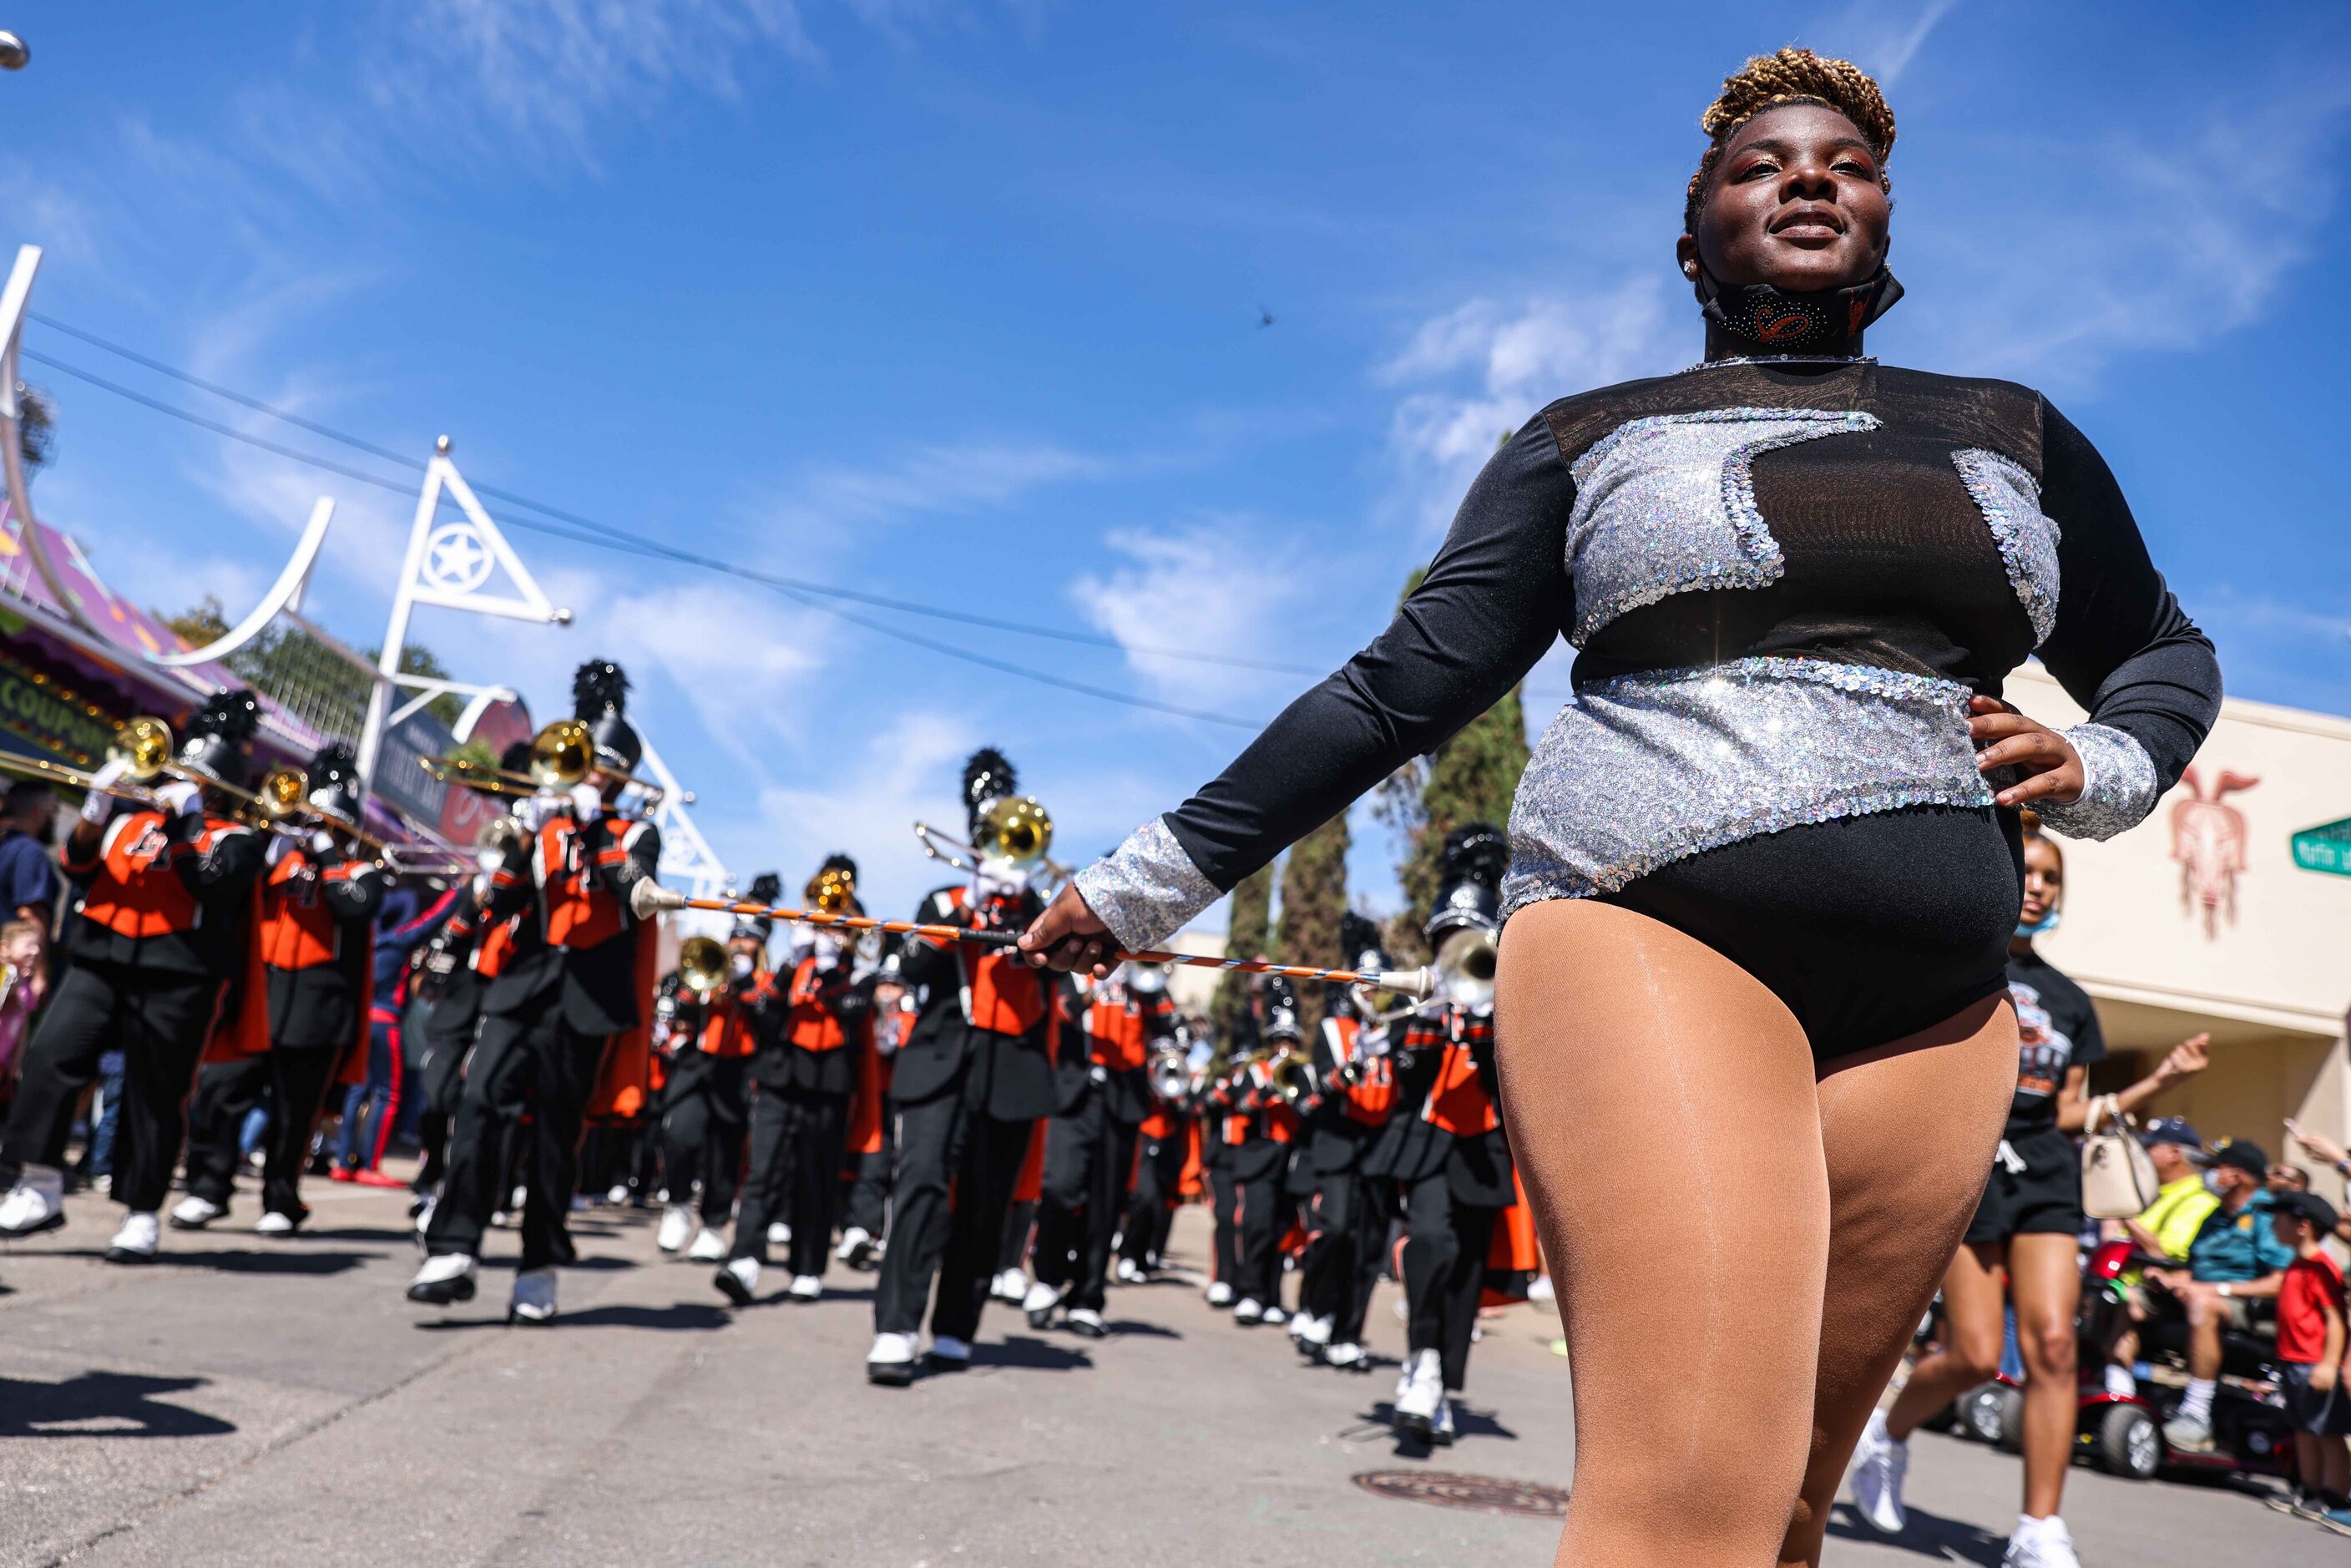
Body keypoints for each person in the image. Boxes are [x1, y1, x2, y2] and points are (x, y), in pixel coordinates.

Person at [1017, 46, 2221, 1567]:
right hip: (1654, 931)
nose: (1807, 177)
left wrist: (2108, 764)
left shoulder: (2008, 429)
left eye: (1846, 164)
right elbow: (1404, 686)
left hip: (1936, 1019)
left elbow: (2166, 651)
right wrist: (1142, 883)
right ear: (1690, 229)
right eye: (1761, 162)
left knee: (1785, 1511)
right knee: (1686, 1513)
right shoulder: (1589, 435)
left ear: (1888, 218)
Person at [1851, 826, 2209, 1560]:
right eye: (2031, 871)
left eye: (2054, 878)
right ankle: (1885, 1437)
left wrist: (2158, 1082)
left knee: (2053, 1344)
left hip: (2046, 1170)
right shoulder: (1956, 969)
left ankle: (2039, 1530)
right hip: (1968, 1158)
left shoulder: (2071, 1002)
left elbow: (2072, 1109)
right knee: (1977, 1355)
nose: (2040, 885)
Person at [408, 660, 661, 1323]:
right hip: (523, 987)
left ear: (620, 775)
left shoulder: (635, 831)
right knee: (481, 1103)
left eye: (599, 767)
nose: (587, 775)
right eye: (583, 763)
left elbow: (629, 893)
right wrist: (528, 839)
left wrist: (590, 826)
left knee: (555, 1138)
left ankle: (539, 1262)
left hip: (585, 998)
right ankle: (455, 1248)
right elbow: (504, 901)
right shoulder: (545, 827)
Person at [0, 690, 268, 1262]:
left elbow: (215, 886)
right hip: (101, 956)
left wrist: (192, 821)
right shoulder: (130, 814)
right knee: (50, 1059)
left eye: (194, 775)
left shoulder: (238, 839)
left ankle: (142, 1210)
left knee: (155, 1092)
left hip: (178, 972)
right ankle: (40, 1183)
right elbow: (77, 865)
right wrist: (96, 811)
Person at [866, 749, 1072, 1386]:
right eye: (996, 835)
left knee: (986, 1205)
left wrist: (1028, 919)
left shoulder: (1043, 906)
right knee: (923, 1186)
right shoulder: (944, 895)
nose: (1006, 849)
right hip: (942, 1061)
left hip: (1009, 1068)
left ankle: (956, 1326)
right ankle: (897, 1328)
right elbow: (909, 968)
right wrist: (965, 913)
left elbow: (1060, 987)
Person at [175, 743, 386, 1234]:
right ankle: (208, 1189)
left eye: (328, 824)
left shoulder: (361, 873)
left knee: (295, 1112)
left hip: (318, 1004)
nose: (316, 830)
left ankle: (281, 1199)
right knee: (222, 1091)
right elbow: (239, 889)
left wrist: (327, 854)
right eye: (314, 822)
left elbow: (352, 908)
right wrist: (275, 840)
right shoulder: (278, 858)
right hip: (264, 991)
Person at [1360, 826, 1513, 1444]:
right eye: (1449, 940)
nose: (1459, 951)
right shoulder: (1423, 1005)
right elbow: (1402, 1079)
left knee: (1466, 1272)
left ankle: (1441, 1385)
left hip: (1483, 1150)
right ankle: (1420, 1362)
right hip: (1428, 1145)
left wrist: (1484, 1022)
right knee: (1430, 1245)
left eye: (1468, 940)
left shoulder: (1507, 1004)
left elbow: (1518, 1085)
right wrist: (1425, 1021)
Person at [720, 861, 879, 1306]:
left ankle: (807, 1267)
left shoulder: (859, 968)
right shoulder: (796, 962)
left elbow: (852, 1010)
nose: (826, 930)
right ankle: (744, 1259)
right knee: (763, 1171)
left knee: (816, 1177)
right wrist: (793, 964)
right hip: (781, 1076)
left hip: (828, 1084)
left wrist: (830, 968)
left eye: (836, 924)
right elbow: (766, 1018)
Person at [1026, 956, 1176, 1337]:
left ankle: (1087, 1298)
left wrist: (1147, 983)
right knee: (1059, 1188)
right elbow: (1063, 1011)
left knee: (1105, 1204)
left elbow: (1166, 1027)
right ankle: (1048, 1277)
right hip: (1074, 1097)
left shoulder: (1142, 983)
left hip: (1120, 1098)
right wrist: (1098, 987)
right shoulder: (1074, 971)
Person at [1290, 924, 1396, 1370]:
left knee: (1368, 1246)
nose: (1372, 996)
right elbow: (1315, 1095)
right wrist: (1350, 1068)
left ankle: (1348, 1333)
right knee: (1334, 1231)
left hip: (1379, 1146)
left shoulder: (1396, 1030)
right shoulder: (1334, 1029)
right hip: (1338, 1141)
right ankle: (1315, 1308)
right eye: (1366, 987)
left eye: (1379, 988)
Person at [2150, 1136, 2298, 1451]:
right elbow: (2194, 1266)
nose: (2207, 1175)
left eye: (2215, 1168)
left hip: (2249, 1306)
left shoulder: (2267, 1215)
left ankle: (2196, 1413)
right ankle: (2120, 1386)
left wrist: (2213, 1289)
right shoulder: (2215, 1216)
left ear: (2238, 1175)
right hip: (2201, 1296)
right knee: (2130, 1299)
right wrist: (2169, 1279)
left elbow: (2281, 1281)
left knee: (2204, 1305)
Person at [657, 881, 776, 1262]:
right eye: (736, 937)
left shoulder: (766, 982)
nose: (741, 945)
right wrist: (702, 990)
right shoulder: (710, 968)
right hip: (697, 1065)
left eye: (749, 940)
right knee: (678, 1134)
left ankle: (713, 1224)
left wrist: (743, 987)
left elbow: (769, 1022)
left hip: (739, 1071)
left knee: (726, 1152)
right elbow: (677, 1007)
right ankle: (677, 1203)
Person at [1201, 988, 1304, 1327]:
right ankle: (1249, 1292)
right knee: (1255, 1224)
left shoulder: (1304, 1072)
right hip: (1259, 1156)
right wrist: (1269, 1088)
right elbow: (1242, 1104)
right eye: (1279, 1040)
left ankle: (1271, 1295)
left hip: (1290, 1160)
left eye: (1290, 1040)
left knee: (1281, 1230)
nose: (1285, 1046)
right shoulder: (1256, 1071)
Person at [2267, 1189, 2348, 1523]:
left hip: (2314, 1362)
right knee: (2303, 1428)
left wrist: (2329, 1364)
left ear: (2303, 1226)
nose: (2273, 1226)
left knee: (2327, 1431)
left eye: (2279, 1220)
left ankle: (2336, 1494)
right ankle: (2310, 1487)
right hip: (2292, 1361)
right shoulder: (2297, 1265)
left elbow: (2336, 1321)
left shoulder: (2320, 1269)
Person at [0, 778, 61, 951]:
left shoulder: (5, 843)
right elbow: (31, 916)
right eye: (53, 810)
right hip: (12, 960)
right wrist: (40, 975)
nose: (54, 818)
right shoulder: (31, 852)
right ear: (38, 812)